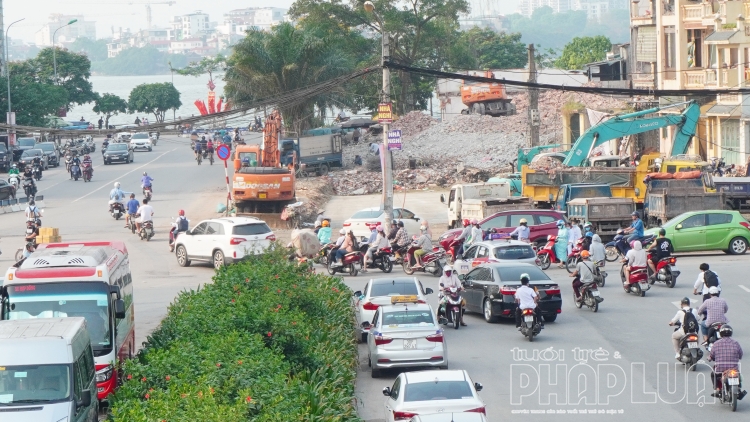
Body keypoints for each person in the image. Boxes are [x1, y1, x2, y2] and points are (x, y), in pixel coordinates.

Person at [708, 325, 745, 399]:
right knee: (739, 376)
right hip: (733, 369)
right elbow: (741, 354)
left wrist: (709, 358)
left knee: (713, 374)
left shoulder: (716, 343)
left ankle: (718, 390)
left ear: (721, 333)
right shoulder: (735, 343)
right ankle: (739, 389)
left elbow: (711, 355)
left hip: (720, 369)